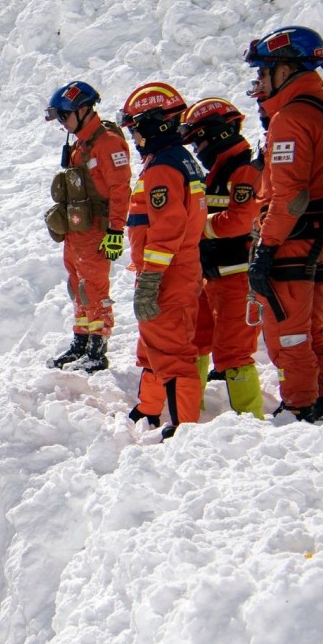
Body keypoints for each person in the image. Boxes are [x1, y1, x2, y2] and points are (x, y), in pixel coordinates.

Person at [243, 25, 323, 422]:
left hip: (294, 241)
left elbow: (289, 196)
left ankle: (298, 406)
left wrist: (265, 249)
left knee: (289, 332)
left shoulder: (292, 117)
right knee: (313, 328)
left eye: (264, 72)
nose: (260, 82)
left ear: (285, 70)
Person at [118, 82, 207, 437]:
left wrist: (151, 278)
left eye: (136, 128)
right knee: (154, 344)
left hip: (167, 272)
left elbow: (167, 229)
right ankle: (149, 407)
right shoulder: (179, 160)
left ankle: (184, 427)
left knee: (171, 350)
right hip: (177, 268)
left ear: (156, 125)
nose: (135, 137)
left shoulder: (163, 169)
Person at [178, 97, 264, 418]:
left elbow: (239, 221)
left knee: (233, 351)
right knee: (196, 340)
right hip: (209, 273)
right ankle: (189, 409)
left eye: (199, 138)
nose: (197, 147)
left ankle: (251, 418)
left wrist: (197, 227)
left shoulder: (245, 171)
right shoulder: (216, 171)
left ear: (218, 132)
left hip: (238, 277)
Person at [42, 81, 133, 372]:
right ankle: (81, 341)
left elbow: (121, 189)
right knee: (77, 287)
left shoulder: (106, 142)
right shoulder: (81, 142)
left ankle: (98, 347)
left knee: (94, 288)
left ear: (82, 110)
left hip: (96, 230)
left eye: (64, 116)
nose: (62, 123)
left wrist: (116, 231)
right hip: (77, 231)